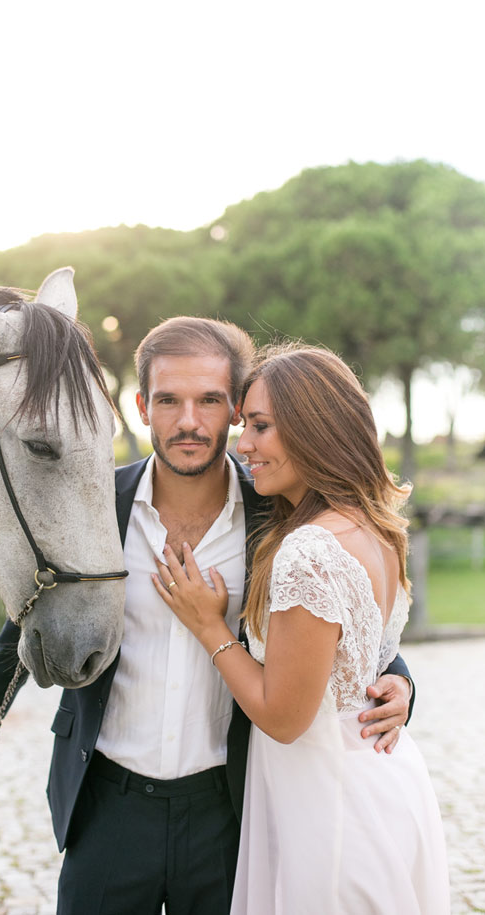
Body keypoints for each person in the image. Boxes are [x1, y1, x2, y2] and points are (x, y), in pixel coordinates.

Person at [0, 321, 414, 915]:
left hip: (232, 812)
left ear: (234, 411)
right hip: (108, 802)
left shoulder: (279, 519)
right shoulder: (99, 506)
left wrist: (400, 681)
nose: (189, 421)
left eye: (210, 401)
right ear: (143, 406)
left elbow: (339, 618)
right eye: (169, 400)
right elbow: (35, 603)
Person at [153, 342, 449, 914]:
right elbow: (358, 658)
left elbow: (284, 717)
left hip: (329, 809)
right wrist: (401, 684)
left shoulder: (309, 551)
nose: (244, 445)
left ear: (313, 427)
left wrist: (206, 624)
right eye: (246, 426)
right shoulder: (375, 527)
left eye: (261, 427)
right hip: (379, 784)